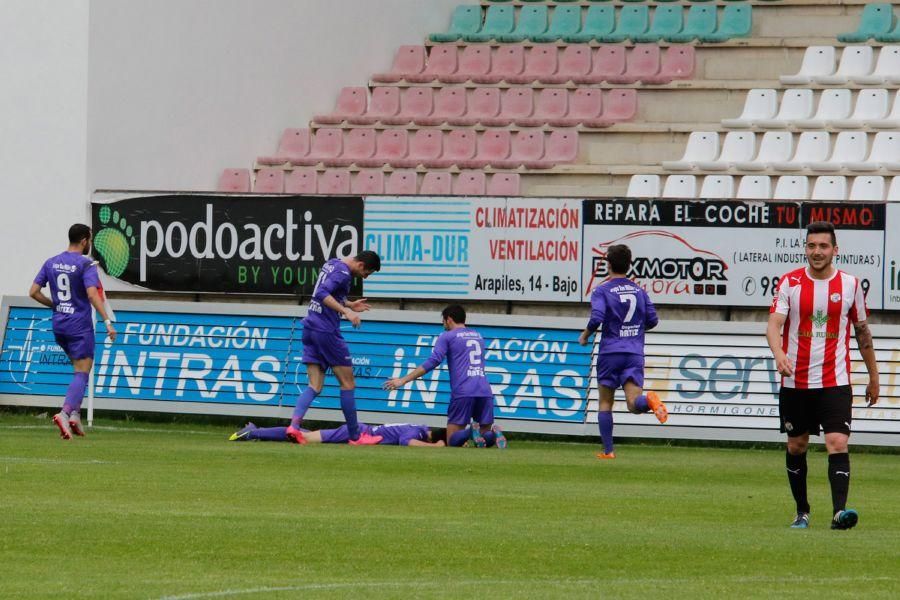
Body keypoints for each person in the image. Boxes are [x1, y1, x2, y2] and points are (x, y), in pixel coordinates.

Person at [766, 221, 879, 531]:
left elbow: (862, 332)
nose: (817, 252)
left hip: (835, 380)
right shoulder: (790, 283)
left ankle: (839, 513)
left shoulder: (851, 285)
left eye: (823, 246)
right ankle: (802, 512)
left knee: (837, 441)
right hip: (796, 381)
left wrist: (874, 376)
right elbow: (773, 325)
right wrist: (779, 354)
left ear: (835, 250)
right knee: (796, 446)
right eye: (812, 246)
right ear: (806, 248)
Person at [29, 224, 117, 440]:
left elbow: (33, 292)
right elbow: (92, 295)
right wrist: (107, 321)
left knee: (79, 368)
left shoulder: (51, 262)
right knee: (82, 371)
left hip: (59, 325)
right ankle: (65, 413)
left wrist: (55, 305)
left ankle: (75, 415)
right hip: (79, 325)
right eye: (91, 239)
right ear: (85, 241)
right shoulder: (86, 264)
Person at [287, 250, 383, 446]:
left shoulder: (333, 263)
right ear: (362, 266)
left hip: (309, 328)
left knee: (315, 386)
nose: (365, 277)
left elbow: (327, 291)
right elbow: (322, 293)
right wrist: (346, 311)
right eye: (367, 273)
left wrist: (349, 303)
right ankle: (356, 437)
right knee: (348, 384)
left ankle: (294, 427)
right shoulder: (344, 273)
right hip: (326, 331)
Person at [578, 244, 665, 460]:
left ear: (608, 264)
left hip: (610, 353)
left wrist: (585, 335)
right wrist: (633, 332)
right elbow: (653, 320)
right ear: (629, 265)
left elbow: (597, 318)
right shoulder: (640, 290)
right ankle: (650, 401)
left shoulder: (602, 290)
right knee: (634, 404)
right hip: (634, 353)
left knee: (605, 402)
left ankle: (608, 451)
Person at [383, 305, 506, 449]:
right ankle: (495, 433)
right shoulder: (478, 335)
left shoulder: (447, 336)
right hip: (485, 390)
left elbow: (433, 361)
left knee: (452, 441)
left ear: (449, 319)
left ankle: (470, 432)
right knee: (484, 440)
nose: (443, 325)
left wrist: (403, 380)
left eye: (443, 321)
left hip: (463, 391)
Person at [229, 422, 445, 447]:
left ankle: (256, 429)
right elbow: (406, 441)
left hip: (357, 430)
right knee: (300, 437)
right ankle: (252, 433)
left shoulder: (418, 426)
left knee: (303, 434)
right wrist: (433, 448)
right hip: (356, 432)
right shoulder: (416, 431)